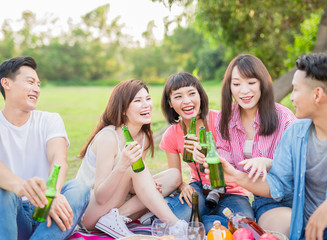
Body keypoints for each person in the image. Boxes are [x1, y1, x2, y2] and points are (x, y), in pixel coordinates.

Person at [210, 53, 327, 239]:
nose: (291, 98)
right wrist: (234, 175)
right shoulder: (296, 132)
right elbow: (277, 184)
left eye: (296, 90)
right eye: (237, 83)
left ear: (318, 94)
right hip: (306, 222)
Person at [194, 54, 296, 236]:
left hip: (296, 196)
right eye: (236, 84)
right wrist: (207, 158)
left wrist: (268, 162)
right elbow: (225, 161)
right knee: (271, 235)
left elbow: (295, 168)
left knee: (299, 228)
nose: (244, 90)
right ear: (229, 87)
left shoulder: (284, 117)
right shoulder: (225, 119)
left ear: (262, 83)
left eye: (251, 82)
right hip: (267, 200)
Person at [76, 79, 187, 238]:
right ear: (122, 109)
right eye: (138, 101)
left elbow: (132, 183)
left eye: (148, 99)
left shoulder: (144, 138)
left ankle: (117, 218)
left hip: (116, 208)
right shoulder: (109, 138)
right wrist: (122, 166)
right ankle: (175, 225)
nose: (146, 104)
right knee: (132, 166)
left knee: (174, 176)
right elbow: (100, 196)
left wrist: (148, 183)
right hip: (90, 212)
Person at [0, 56, 90, 239]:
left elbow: (59, 159)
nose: (37, 89)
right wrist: (24, 188)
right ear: (6, 83)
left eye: (39, 85)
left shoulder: (50, 120)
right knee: (3, 191)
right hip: (13, 213)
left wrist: (53, 195)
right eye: (30, 82)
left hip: (50, 211)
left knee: (79, 188)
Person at [160, 72, 252, 232]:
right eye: (178, 96)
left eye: (191, 93)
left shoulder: (222, 120)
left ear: (200, 96)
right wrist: (183, 186)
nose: (187, 101)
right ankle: (205, 219)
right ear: (170, 103)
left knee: (242, 225)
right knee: (172, 217)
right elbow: (175, 175)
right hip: (200, 189)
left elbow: (240, 162)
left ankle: (205, 220)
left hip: (232, 191)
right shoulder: (172, 134)